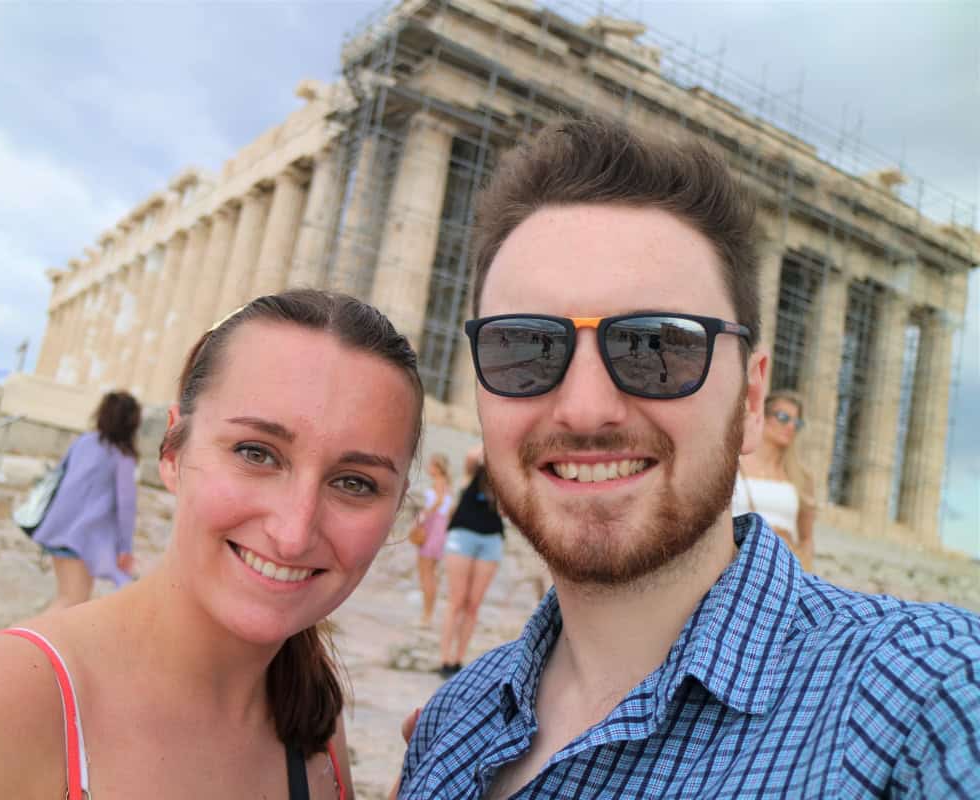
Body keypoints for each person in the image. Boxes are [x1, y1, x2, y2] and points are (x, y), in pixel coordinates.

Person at [398, 114, 980, 797]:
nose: (586, 408)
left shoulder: (931, 694)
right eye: (526, 347)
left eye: (660, 347)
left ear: (753, 399)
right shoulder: (448, 731)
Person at [0, 289, 424, 799]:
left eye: (355, 483)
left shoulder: (316, 722)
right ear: (172, 451)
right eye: (256, 453)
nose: (294, 532)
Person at [32, 390, 142, 609]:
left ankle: (25, 640)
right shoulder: (122, 456)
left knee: (69, 598)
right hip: (81, 537)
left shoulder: (83, 441)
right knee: (72, 601)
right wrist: (125, 548)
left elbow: (59, 476)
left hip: (56, 529)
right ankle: (20, 642)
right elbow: (126, 506)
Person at [732, 391, 817, 571]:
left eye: (797, 422)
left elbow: (806, 538)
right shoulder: (734, 465)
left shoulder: (801, 477)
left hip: (782, 570)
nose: (791, 426)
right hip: (735, 564)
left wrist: (805, 570)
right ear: (762, 415)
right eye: (783, 417)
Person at [438, 448, 503, 677]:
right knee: (456, 601)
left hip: (491, 540)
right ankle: (445, 658)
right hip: (463, 536)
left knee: (473, 604)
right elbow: (471, 455)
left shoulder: (503, 479)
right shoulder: (472, 472)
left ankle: (458, 659)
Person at [413, 453, 452, 628]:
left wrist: (423, 517)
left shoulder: (439, 483)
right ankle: (427, 614)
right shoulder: (447, 484)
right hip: (440, 528)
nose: (428, 468)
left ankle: (427, 616)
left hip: (434, 526)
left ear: (437, 467)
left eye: (431, 465)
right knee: (429, 572)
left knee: (426, 572)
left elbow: (439, 502)